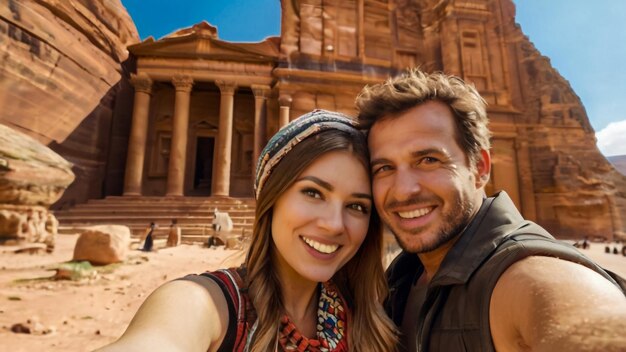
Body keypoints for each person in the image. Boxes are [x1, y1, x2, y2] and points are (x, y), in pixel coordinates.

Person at [355, 69, 626, 352]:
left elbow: (585, 320)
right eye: (384, 168)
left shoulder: (527, 275)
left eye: (428, 159)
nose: (403, 190)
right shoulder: (398, 280)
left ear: (480, 168)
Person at [96, 110, 397, 351]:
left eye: (357, 207)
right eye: (313, 193)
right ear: (272, 197)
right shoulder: (207, 303)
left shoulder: (369, 315)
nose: (334, 224)